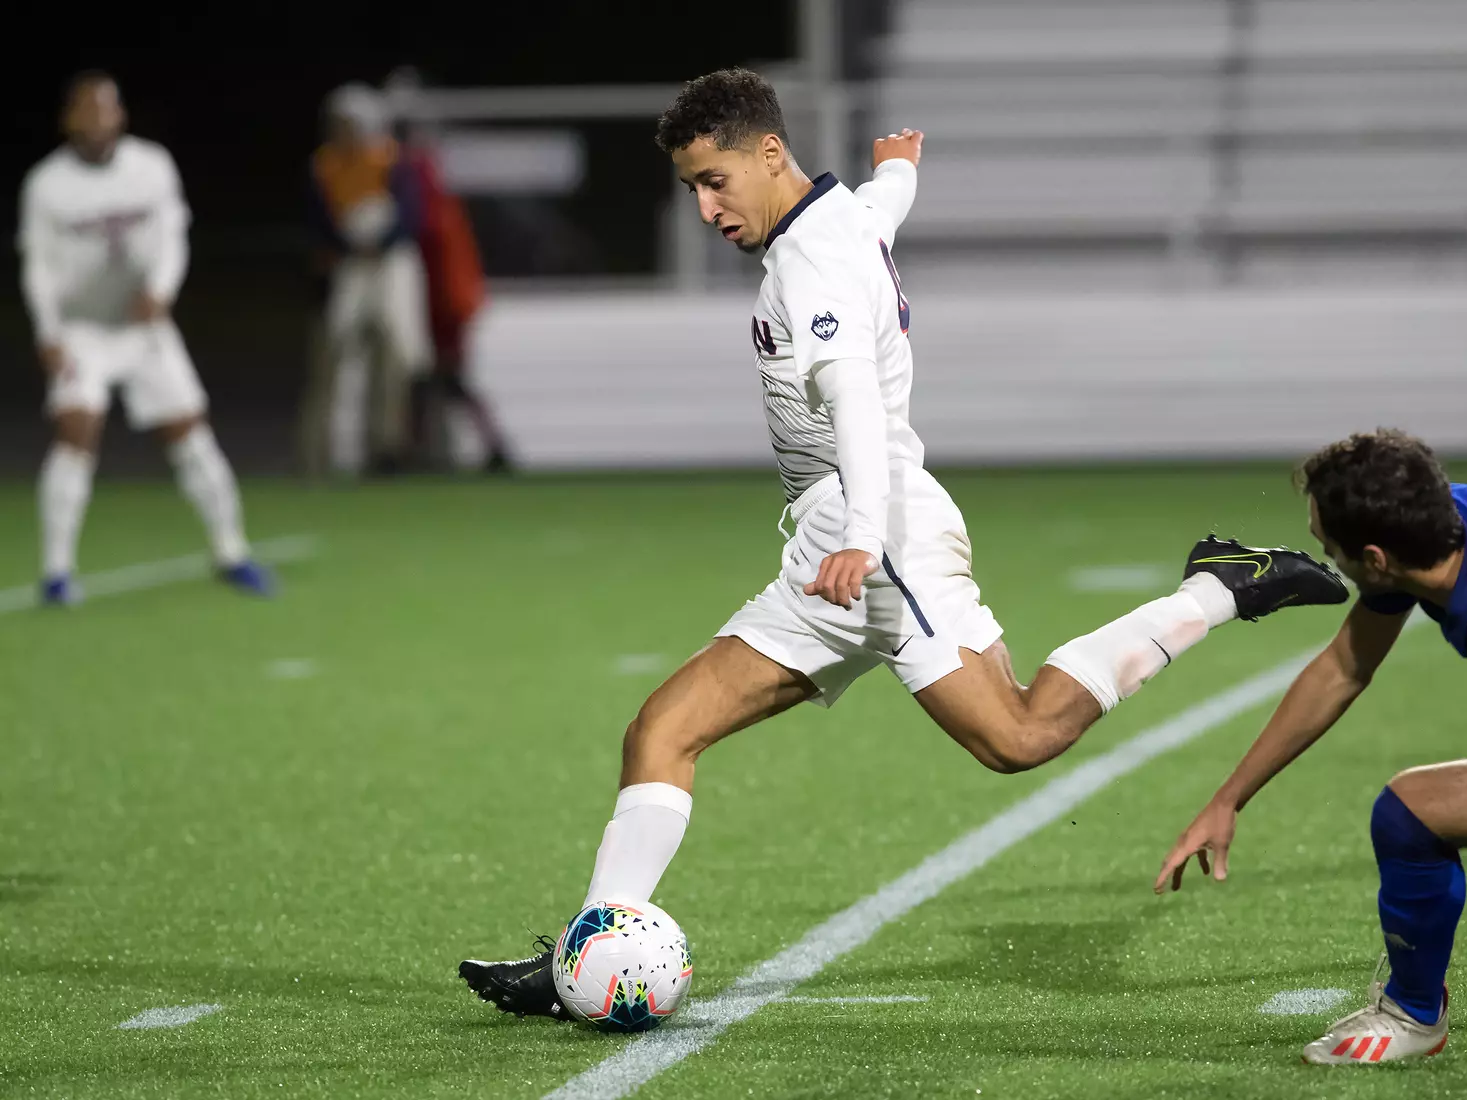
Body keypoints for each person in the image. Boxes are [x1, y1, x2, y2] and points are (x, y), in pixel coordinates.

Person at [458, 68, 1348, 1018]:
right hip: (834, 539)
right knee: (661, 731)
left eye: (715, 180)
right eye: (691, 189)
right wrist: (899, 174)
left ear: (769, 154)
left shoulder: (812, 265)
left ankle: (1217, 589)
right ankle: (590, 956)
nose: (707, 207)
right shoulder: (835, 219)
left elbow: (853, 406)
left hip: (878, 535)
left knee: (1016, 736)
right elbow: (880, 212)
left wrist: (867, 541)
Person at [1156, 428, 1467, 1088]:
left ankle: (1415, 1015)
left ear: (1374, 558)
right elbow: (1342, 668)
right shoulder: (1451, 522)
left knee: (1412, 812)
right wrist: (1228, 798)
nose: (1321, 554)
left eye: (1328, 545)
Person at [19, 70, 271, 605]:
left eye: (105, 109)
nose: (96, 120)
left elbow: (173, 237)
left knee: (190, 434)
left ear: (120, 115)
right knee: (76, 431)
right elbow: (37, 266)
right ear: (68, 120)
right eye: (85, 110)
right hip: (82, 327)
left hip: (143, 326)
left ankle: (232, 552)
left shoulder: (150, 166)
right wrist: (48, 332)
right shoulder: (47, 184)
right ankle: (56, 572)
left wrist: (161, 290)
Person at [299, 83, 431, 478]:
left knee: (395, 353)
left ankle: (386, 450)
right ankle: (318, 457)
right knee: (333, 353)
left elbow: (411, 216)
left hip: (390, 265)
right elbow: (318, 220)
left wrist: (381, 241)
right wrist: (348, 245)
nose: (344, 133)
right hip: (349, 266)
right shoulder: (324, 165)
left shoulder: (391, 161)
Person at [398, 120, 514, 473]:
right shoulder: (435, 185)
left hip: (444, 300)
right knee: (437, 378)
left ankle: (421, 451)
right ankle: (427, 449)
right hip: (448, 298)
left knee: (438, 376)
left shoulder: (422, 185)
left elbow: (430, 240)